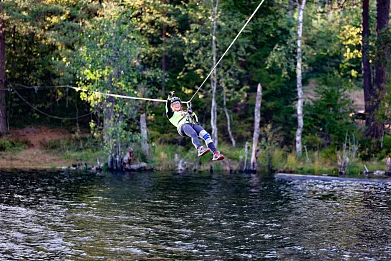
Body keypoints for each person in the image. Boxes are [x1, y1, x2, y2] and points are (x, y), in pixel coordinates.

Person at [166, 91, 224, 161]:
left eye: (178, 103)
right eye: (174, 104)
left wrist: (192, 113)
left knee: (206, 135)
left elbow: (196, 121)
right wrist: (169, 97)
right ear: (172, 106)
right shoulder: (171, 114)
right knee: (193, 133)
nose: (176, 105)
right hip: (182, 127)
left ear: (180, 104)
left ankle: (215, 153)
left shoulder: (185, 112)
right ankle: (200, 148)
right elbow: (167, 106)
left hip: (192, 124)